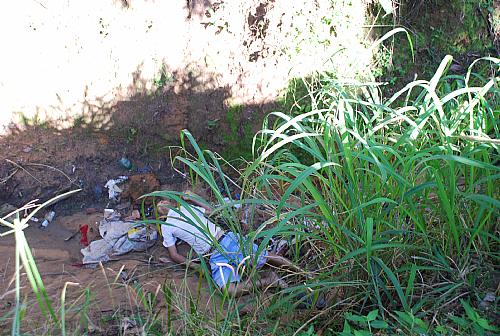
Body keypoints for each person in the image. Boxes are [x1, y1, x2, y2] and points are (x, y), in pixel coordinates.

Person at [157, 193, 296, 296]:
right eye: (158, 205)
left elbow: (212, 211)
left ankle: (307, 275)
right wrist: (197, 267)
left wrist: (193, 197)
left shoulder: (186, 209)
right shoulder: (166, 225)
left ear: (172, 202)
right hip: (214, 256)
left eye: (162, 200)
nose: (161, 204)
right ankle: (268, 280)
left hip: (226, 240)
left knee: (267, 256)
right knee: (228, 291)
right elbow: (174, 254)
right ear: (160, 215)